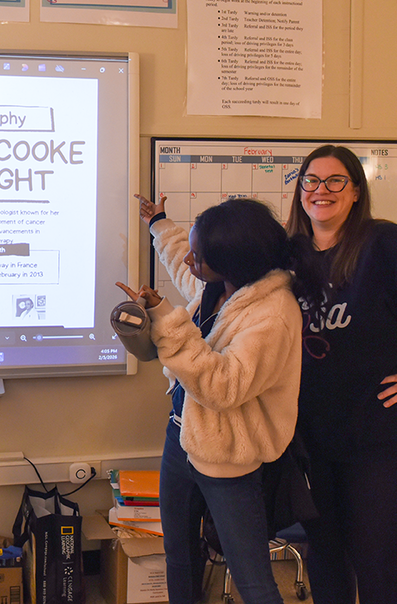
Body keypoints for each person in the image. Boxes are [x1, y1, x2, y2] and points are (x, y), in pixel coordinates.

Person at [123, 196, 324, 604]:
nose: (192, 261)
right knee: (178, 554)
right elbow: (183, 263)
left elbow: (222, 387)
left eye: (201, 256)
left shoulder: (272, 314)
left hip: (227, 458)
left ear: (232, 260)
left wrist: (166, 318)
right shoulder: (221, 286)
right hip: (179, 438)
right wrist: (159, 223)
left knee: (251, 578)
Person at [284, 145, 397, 604]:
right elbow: (223, 265)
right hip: (312, 441)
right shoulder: (289, 255)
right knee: (325, 556)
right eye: (311, 181)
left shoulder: (388, 246)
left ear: (356, 191)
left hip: (383, 440)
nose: (322, 190)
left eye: (335, 180)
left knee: (377, 563)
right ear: (300, 191)